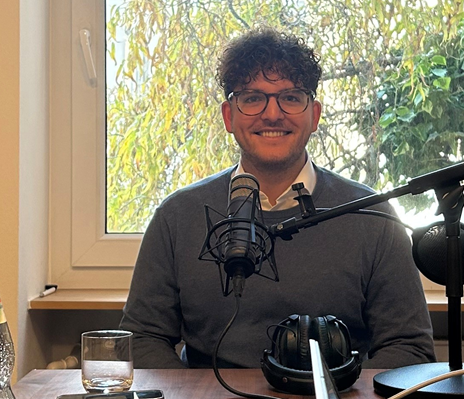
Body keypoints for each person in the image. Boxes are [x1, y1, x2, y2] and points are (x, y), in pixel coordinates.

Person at [120, 27, 435, 369]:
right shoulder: (177, 216)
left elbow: (409, 347)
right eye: (252, 98)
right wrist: (194, 397)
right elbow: (143, 338)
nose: (272, 114)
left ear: (314, 115)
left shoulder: (372, 216)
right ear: (229, 116)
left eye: (291, 97)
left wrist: (342, 398)